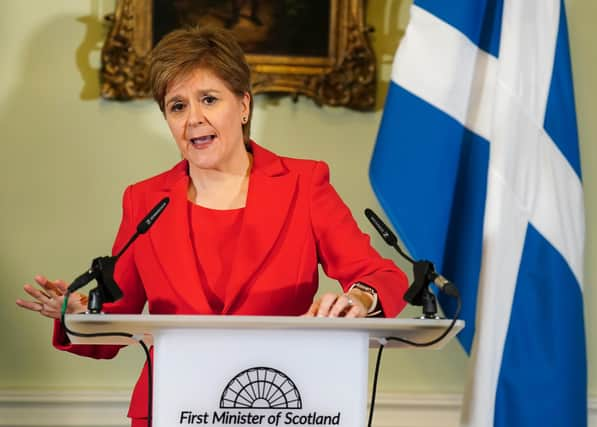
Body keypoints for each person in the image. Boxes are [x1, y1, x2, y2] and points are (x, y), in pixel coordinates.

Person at [15, 26, 407, 426]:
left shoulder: (304, 185)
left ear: (243, 106)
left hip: (279, 405)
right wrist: (79, 312)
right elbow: (119, 312)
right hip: (169, 407)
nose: (194, 119)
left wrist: (360, 299)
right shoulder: (145, 200)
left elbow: (381, 275)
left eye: (209, 99)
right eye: (177, 106)